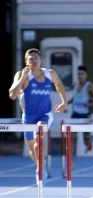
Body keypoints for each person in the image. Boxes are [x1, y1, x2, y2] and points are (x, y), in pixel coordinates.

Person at [9, 48, 67, 185]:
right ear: (26, 62)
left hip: (45, 115)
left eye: (36, 58)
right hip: (28, 117)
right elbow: (12, 95)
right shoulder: (21, 75)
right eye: (31, 59)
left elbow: (59, 84)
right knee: (32, 152)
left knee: (39, 132)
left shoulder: (49, 74)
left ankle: (39, 169)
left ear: (40, 60)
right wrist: (23, 77)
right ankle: (41, 163)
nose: (34, 60)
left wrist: (64, 102)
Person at [67, 65, 93, 167]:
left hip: (86, 115)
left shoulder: (90, 86)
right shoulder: (75, 85)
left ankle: (89, 142)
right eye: (78, 74)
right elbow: (75, 98)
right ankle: (70, 162)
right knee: (71, 137)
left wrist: (88, 104)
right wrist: (66, 103)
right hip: (75, 114)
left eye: (82, 74)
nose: (80, 76)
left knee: (86, 142)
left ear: (86, 75)